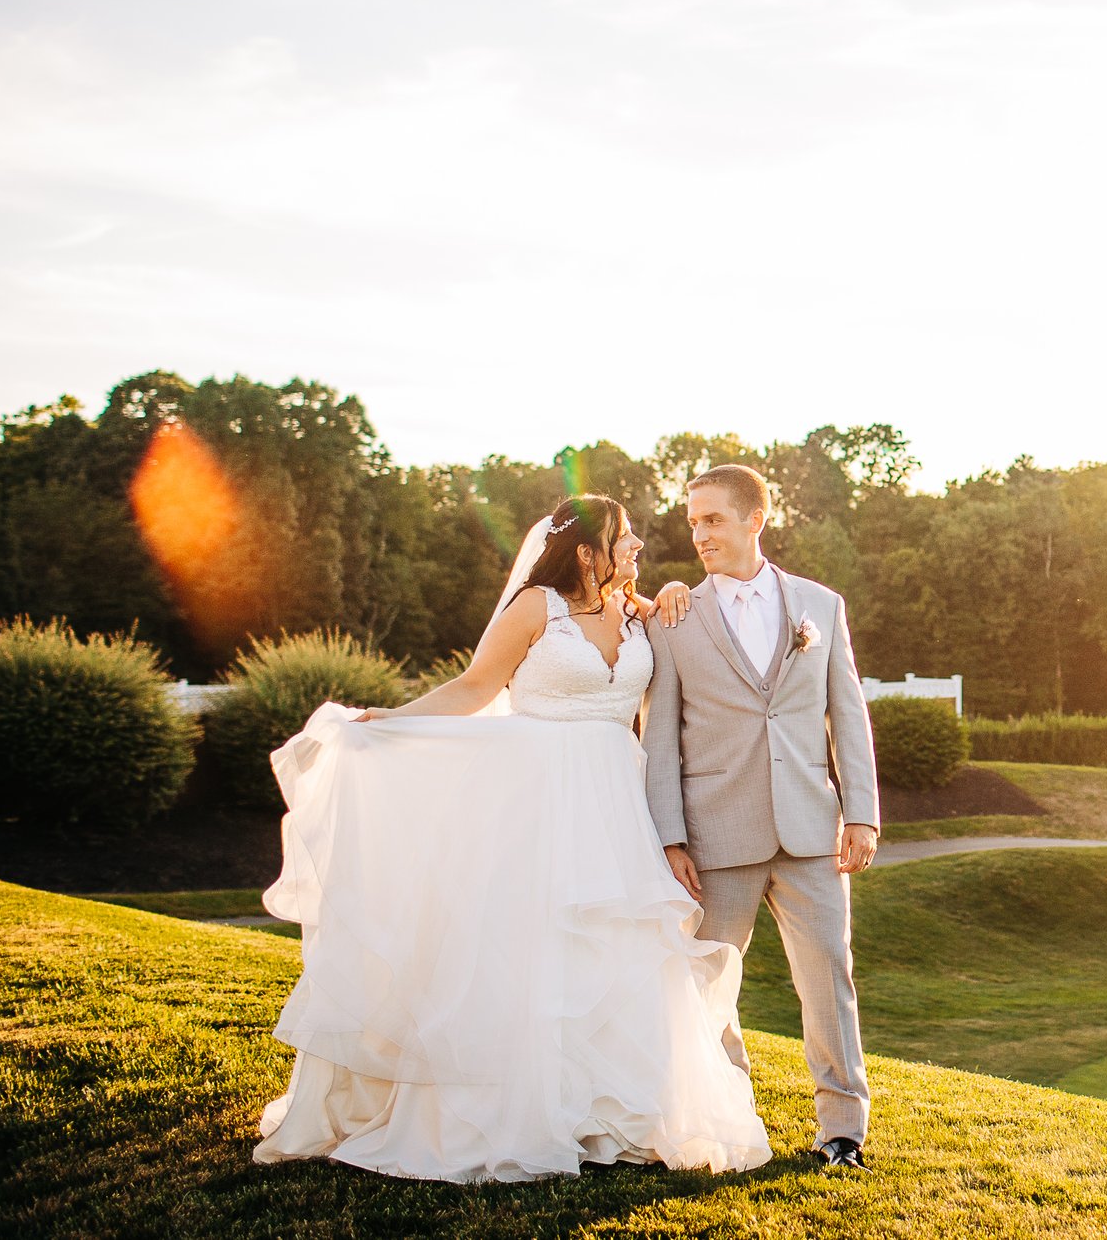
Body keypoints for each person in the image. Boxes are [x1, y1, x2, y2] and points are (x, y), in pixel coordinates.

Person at [252, 493, 771, 1183]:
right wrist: (393, 720)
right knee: (530, 952)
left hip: (616, 801)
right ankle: (522, 1111)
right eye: (624, 539)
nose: (638, 547)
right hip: (537, 801)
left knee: (618, 951)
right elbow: (472, 689)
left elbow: (689, 645)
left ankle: (610, 1113)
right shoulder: (535, 608)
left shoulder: (635, 611)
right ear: (585, 550)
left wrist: (672, 590)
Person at [643, 463, 879, 1168]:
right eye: (692, 522)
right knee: (711, 988)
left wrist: (861, 813)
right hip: (716, 832)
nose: (699, 534)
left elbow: (848, 713)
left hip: (811, 827)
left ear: (756, 519)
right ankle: (730, 1119)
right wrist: (670, 835)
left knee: (829, 980)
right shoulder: (675, 618)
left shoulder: (821, 606)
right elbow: (658, 735)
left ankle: (842, 1131)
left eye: (712, 519)